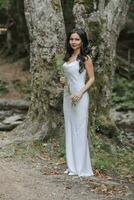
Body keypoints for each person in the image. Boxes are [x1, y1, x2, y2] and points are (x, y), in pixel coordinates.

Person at [60, 28, 95, 177]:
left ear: (82, 41)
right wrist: (64, 82)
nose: (73, 42)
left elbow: (92, 79)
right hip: (67, 97)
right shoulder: (68, 56)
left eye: (77, 39)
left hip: (80, 97)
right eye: (71, 39)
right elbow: (70, 78)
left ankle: (82, 168)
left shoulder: (85, 58)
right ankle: (72, 166)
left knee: (80, 130)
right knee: (69, 128)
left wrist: (80, 92)